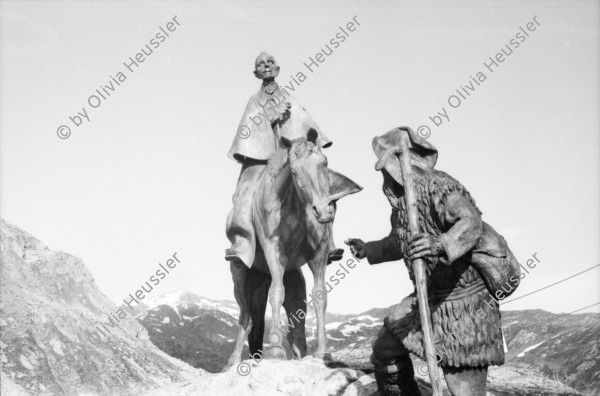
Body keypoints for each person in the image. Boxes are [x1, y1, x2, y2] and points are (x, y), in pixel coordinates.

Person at [345, 127, 520, 396]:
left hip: (466, 306)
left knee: (464, 384)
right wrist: (368, 249)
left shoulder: (440, 186)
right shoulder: (404, 203)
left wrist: (440, 243)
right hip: (428, 298)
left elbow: (470, 222)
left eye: (385, 168)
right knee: (386, 349)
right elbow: (399, 242)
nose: (383, 177)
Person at [226, 52, 343, 269]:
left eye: (270, 63)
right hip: (261, 159)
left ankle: (327, 240)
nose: (266, 66)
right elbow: (248, 131)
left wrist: (309, 144)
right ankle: (242, 241)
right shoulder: (254, 101)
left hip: (291, 155)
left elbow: (303, 122)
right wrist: (267, 120)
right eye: (261, 64)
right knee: (244, 191)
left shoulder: (289, 98)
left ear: (278, 69)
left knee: (322, 184)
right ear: (255, 73)